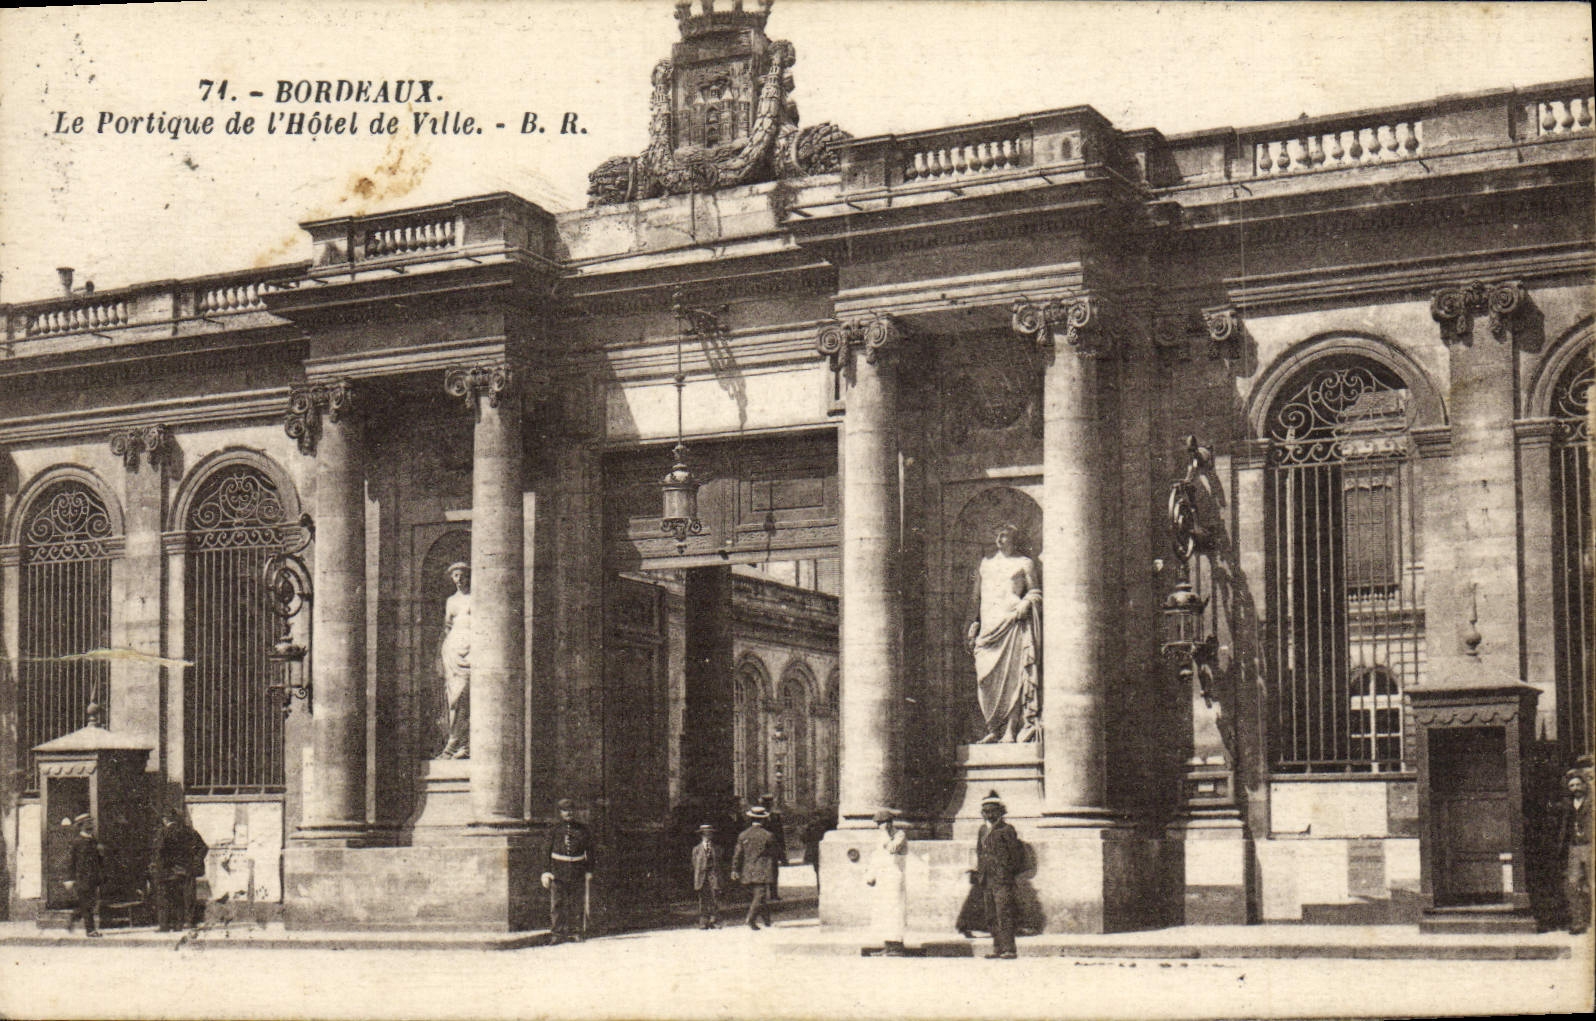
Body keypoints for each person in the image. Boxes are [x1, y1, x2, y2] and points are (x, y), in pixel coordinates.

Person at [965, 523, 1042, 743]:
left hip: (1012, 623)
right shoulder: (985, 564)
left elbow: (1035, 591)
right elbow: (975, 598)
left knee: (1012, 678)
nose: (999, 538)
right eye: (996, 534)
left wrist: (1026, 603)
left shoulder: (1024, 563)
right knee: (984, 678)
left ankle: (1010, 729)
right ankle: (992, 727)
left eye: (1004, 535)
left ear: (1014, 538)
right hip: (988, 628)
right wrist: (972, 623)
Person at [970, 790, 1022, 959]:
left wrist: (1006, 872)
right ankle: (997, 948)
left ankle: (1009, 949)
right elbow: (979, 851)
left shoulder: (1007, 829)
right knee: (991, 915)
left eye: (992, 810)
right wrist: (979, 872)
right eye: (985, 811)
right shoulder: (982, 830)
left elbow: (1016, 855)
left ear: (1001, 811)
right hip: (986, 879)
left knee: (1004, 913)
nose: (989, 814)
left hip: (1002, 879)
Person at [542, 798, 594, 943]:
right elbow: (546, 851)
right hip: (558, 870)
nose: (568, 813)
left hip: (577, 869)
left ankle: (576, 932)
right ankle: (557, 934)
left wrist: (589, 870)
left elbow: (590, 851)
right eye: (565, 810)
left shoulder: (583, 830)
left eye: (571, 810)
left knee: (576, 902)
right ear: (560, 812)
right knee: (557, 903)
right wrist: (546, 871)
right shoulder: (554, 829)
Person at [150, 809, 208, 932]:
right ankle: (188, 923)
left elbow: (159, 851)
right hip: (187, 869)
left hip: (168, 871)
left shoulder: (163, 833)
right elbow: (203, 847)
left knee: (166, 898)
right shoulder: (189, 831)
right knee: (187, 897)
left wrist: (159, 867)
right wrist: (195, 863)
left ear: (165, 820)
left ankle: (166, 925)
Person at [437, 561, 471, 759]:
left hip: (471, 650)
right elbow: (447, 627)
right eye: (456, 576)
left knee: (465, 696)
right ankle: (456, 743)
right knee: (453, 699)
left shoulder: (477, 598)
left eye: (463, 575)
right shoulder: (451, 601)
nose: (460, 579)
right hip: (453, 651)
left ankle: (461, 744)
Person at [865, 809, 909, 956]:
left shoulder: (900, 835)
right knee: (883, 912)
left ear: (889, 823)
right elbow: (876, 857)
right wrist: (871, 875)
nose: (880, 826)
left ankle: (897, 946)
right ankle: (888, 945)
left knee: (895, 910)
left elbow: (892, 848)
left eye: (882, 823)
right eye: (878, 824)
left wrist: (885, 835)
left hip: (894, 878)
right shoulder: (881, 837)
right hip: (883, 879)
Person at [1559, 757, 1593, 935]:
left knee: (1592, 884)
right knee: (1572, 885)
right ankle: (1578, 922)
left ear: (1584, 785)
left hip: (1590, 846)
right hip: (1575, 847)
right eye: (1572, 786)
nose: (1575, 788)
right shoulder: (1569, 805)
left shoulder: (1592, 802)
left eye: (1578, 784)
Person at [731, 805, 778, 931]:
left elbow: (737, 854)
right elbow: (774, 853)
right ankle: (750, 919)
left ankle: (767, 921)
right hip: (762, 869)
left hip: (747, 869)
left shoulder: (743, 835)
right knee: (760, 895)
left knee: (759, 895)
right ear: (763, 819)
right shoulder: (768, 835)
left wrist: (734, 869)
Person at [65, 814, 104, 938]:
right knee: (87, 904)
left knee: (90, 903)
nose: (91, 825)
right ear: (81, 825)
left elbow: (99, 860)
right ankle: (90, 930)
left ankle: (74, 917)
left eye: (91, 822)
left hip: (94, 878)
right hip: (82, 878)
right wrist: (70, 879)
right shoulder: (77, 842)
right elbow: (71, 862)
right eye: (88, 823)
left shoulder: (94, 841)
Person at [691, 824, 723, 929]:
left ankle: (714, 920)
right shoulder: (696, 849)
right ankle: (703, 921)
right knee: (703, 899)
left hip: (713, 876)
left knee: (715, 898)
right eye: (705, 834)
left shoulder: (717, 848)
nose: (707, 836)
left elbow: (720, 863)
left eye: (709, 834)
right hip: (702, 877)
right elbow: (695, 864)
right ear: (701, 836)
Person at [757, 794, 787, 900]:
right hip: (762, 849)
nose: (768, 806)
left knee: (774, 871)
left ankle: (774, 893)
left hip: (774, 848)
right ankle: (762, 895)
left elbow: (780, 834)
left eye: (769, 803)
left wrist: (782, 850)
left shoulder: (775, 816)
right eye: (766, 804)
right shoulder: (758, 817)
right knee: (762, 871)